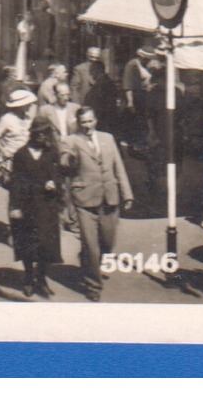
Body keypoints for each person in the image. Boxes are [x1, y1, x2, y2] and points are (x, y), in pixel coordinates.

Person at [60, 106, 134, 302]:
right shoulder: (71, 140)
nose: (87, 126)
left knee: (107, 243)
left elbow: (118, 166)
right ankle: (93, 285)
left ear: (96, 120)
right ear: (78, 123)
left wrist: (127, 194)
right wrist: (69, 158)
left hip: (109, 198)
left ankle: (88, 261)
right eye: (83, 122)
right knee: (92, 245)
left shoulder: (107, 138)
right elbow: (64, 161)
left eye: (90, 121)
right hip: (85, 200)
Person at [9, 118, 64, 298]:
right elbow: (16, 183)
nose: (42, 137)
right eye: (38, 133)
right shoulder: (21, 155)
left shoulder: (51, 153)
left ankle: (41, 279)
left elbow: (60, 178)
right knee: (27, 244)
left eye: (45, 134)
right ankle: (28, 278)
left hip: (47, 205)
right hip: (27, 205)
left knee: (46, 245)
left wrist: (53, 183)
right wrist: (15, 207)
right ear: (32, 134)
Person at [0, 89, 36, 187]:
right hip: (11, 161)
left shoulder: (28, 118)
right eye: (28, 103)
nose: (31, 105)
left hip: (26, 160)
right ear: (21, 105)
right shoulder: (6, 119)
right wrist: (3, 151)